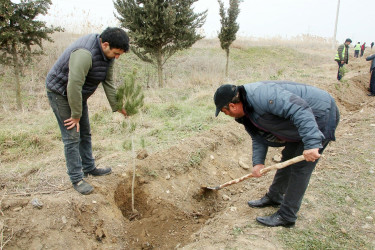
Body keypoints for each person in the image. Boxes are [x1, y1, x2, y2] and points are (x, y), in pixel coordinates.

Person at [213, 81, 340, 227]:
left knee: (300, 168)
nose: (227, 115)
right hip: (299, 121)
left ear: (232, 105)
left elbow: (300, 110)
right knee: (288, 157)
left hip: (320, 115)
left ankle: (287, 216)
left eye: (224, 111)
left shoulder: (263, 97)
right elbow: (258, 136)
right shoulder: (247, 110)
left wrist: (311, 143)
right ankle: (274, 197)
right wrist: (258, 162)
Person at [46, 27, 129, 195]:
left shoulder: (108, 56)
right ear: (105, 44)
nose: (117, 57)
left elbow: (108, 82)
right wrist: (75, 115)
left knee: (85, 132)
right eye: (116, 53)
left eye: (120, 54)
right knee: (72, 135)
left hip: (78, 94)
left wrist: (118, 106)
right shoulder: (85, 53)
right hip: (61, 92)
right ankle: (76, 178)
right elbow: (73, 85)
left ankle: (89, 167)